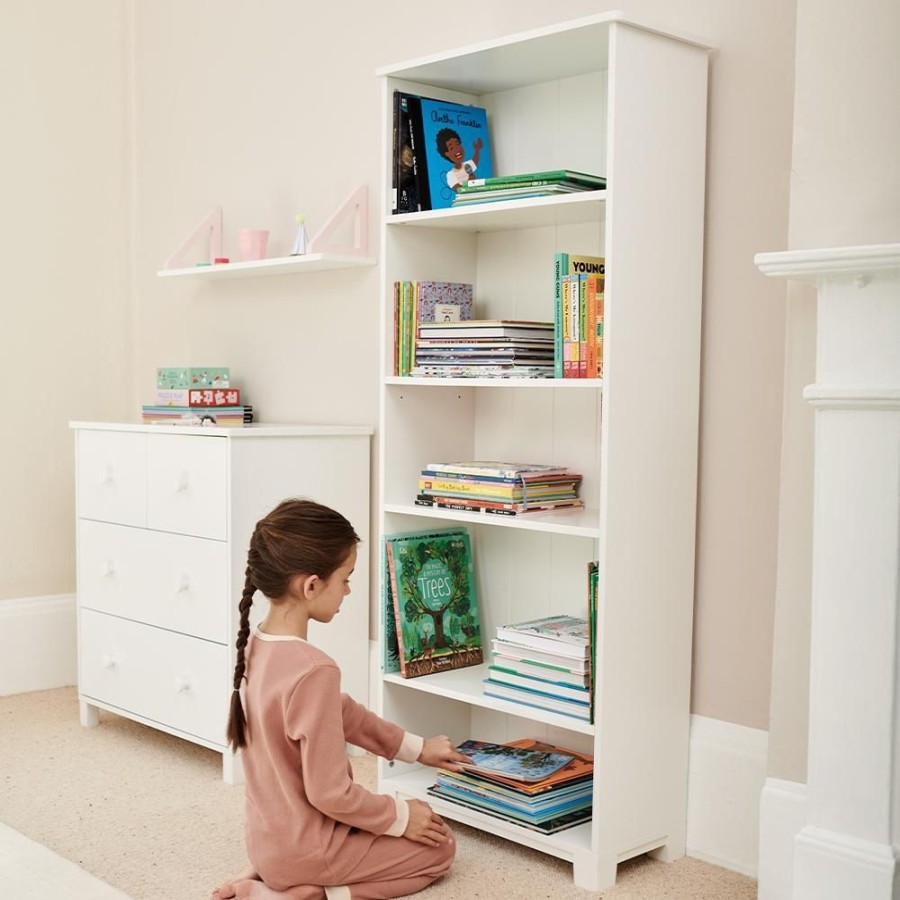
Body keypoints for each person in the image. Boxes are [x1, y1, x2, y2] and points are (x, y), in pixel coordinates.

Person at [213, 498, 470, 900]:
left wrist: (417, 749)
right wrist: (400, 816)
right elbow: (330, 794)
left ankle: (270, 879)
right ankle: (300, 895)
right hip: (311, 848)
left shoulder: (256, 644)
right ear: (311, 585)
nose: (348, 591)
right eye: (346, 578)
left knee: (394, 830)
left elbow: (341, 712)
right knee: (440, 848)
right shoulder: (314, 669)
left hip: (267, 845)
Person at [434, 127, 482, 191]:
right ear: (446, 153)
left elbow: (475, 161)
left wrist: (477, 150)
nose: (457, 149)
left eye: (458, 144)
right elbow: (459, 190)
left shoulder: (467, 165)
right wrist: (470, 178)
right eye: (452, 148)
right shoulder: (451, 175)